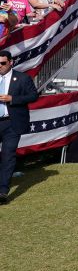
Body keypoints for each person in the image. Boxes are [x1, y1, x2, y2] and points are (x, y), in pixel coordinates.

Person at [0, 50, 39, 204]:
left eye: (3, 63)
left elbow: (33, 96)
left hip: (12, 123)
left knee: (8, 155)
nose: (0, 66)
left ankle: (2, 191)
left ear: (11, 62)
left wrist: (12, 99)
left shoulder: (22, 78)